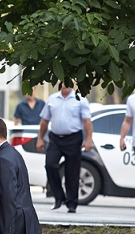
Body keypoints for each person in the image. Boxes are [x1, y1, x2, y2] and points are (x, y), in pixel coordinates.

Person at [36, 82, 93, 213]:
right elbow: (44, 121)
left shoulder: (80, 99)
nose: (65, 84)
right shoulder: (52, 99)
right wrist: (40, 139)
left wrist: (88, 139)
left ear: (74, 83)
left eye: (68, 81)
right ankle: (58, 196)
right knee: (50, 165)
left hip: (73, 138)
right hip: (55, 138)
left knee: (72, 171)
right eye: (63, 81)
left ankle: (72, 203)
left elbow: (87, 121)